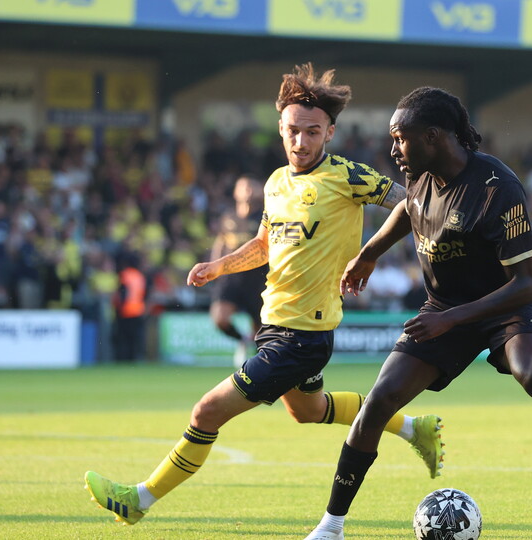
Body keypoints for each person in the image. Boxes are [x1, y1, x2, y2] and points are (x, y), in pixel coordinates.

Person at [84, 64, 444, 526]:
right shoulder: (276, 183)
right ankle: (416, 427)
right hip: (275, 323)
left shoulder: (348, 176)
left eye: (312, 132)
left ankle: (139, 499)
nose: (301, 141)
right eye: (293, 131)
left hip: (303, 335)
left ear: (329, 132)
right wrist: (219, 266)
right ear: (281, 129)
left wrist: (372, 253)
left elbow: (412, 203)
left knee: (206, 411)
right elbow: (265, 244)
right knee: (309, 411)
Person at [306, 87, 532, 540]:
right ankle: (331, 527)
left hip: (507, 304)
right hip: (444, 308)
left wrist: (451, 320)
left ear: (434, 137)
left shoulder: (498, 188)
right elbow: (407, 208)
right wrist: (370, 252)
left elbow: (527, 284)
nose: (394, 149)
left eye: (401, 138)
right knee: (378, 402)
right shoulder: (419, 174)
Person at [208, 174, 268, 344]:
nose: (248, 190)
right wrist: (214, 267)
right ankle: (242, 340)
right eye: (244, 186)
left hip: (258, 277)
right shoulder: (228, 217)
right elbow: (220, 242)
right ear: (236, 192)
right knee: (219, 318)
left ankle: (260, 359)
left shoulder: (264, 216)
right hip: (231, 276)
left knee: (262, 331)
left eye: (252, 186)